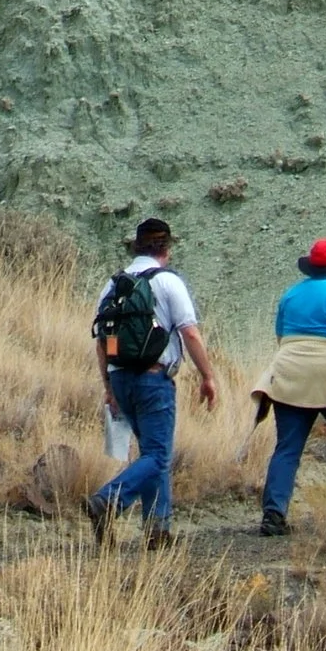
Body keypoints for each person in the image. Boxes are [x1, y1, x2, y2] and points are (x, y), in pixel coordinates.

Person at [86, 217, 218, 548]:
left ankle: (158, 531)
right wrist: (208, 376)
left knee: (150, 454)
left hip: (120, 379)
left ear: (136, 246)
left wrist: (108, 386)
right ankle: (108, 501)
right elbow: (189, 331)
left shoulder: (114, 284)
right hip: (153, 379)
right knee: (158, 455)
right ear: (166, 249)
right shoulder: (168, 282)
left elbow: (103, 340)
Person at [251, 236, 326, 537]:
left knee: (288, 448)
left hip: (289, 370)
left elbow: (281, 336)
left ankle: (274, 513)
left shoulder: (291, 294)